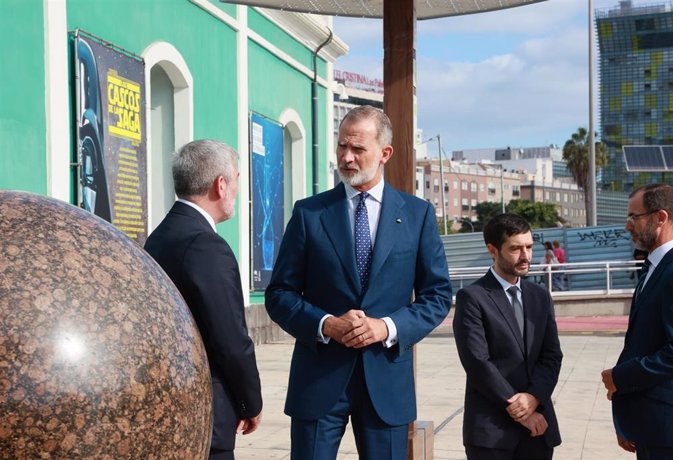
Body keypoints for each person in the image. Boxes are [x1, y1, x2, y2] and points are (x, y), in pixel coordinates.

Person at [265, 105, 452, 459]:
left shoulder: (417, 215)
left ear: (385, 153)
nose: (347, 158)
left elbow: (438, 296)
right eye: (341, 147)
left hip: (387, 383)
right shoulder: (309, 214)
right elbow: (279, 294)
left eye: (358, 149)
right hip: (318, 381)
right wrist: (326, 324)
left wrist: (387, 327)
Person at [144, 140, 262, 459]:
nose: (238, 189)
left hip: (166, 406)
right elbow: (230, 339)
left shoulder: (159, 237)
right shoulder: (206, 246)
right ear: (220, 185)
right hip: (206, 413)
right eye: (237, 179)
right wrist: (250, 402)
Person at [453, 213, 563, 460]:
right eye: (515, 248)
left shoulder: (540, 296)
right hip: (491, 432)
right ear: (493, 250)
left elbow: (551, 356)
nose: (525, 256)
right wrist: (522, 411)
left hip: (538, 432)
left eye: (529, 247)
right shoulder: (472, 297)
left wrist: (534, 397)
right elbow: (477, 362)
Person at [601, 183, 673, 459]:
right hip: (654, 426)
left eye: (633, 217)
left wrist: (620, 378)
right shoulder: (655, 266)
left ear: (660, 217)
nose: (628, 227)